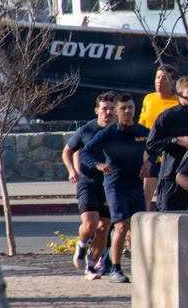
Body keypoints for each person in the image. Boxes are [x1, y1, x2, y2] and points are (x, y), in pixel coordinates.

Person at [79, 93, 154, 284]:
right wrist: (99, 165)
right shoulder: (109, 133)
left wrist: (149, 163)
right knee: (121, 226)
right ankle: (115, 269)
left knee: (139, 228)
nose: (127, 111)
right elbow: (85, 153)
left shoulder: (143, 132)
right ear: (117, 111)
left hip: (136, 185)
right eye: (123, 108)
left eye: (130, 107)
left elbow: (156, 148)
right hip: (114, 185)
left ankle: (142, 269)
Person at [62, 91, 116, 280]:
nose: (108, 113)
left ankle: (91, 267)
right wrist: (71, 171)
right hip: (88, 183)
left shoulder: (120, 131)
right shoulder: (86, 130)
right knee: (91, 224)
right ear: (96, 110)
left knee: (104, 227)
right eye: (104, 109)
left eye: (111, 109)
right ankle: (82, 245)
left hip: (110, 186)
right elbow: (67, 151)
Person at [146, 76, 188, 211]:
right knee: (167, 220)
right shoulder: (168, 116)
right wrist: (176, 140)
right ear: (180, 93)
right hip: (171, 178)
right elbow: (151, 144)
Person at [139, 65, 179, 210]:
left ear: (173, 81)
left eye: (164, 78)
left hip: (169, 154)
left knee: (167, 195)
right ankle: (140, 227)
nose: (159, 81)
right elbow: (142, 126)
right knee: (145, 193)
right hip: (150, 154)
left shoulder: (178, 102)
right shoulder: (148, 99)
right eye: (157, 77)